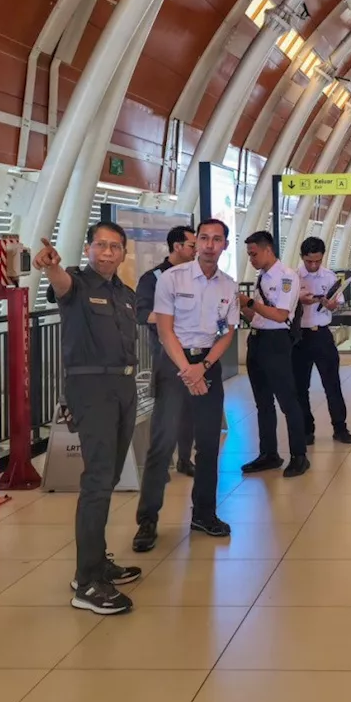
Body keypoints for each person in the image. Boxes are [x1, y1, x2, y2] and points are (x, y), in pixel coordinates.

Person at [35, 223, 142, 616]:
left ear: (123, 252)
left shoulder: (123, 293)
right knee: (97, 481)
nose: (108, 253)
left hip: (124, 389)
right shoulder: (77, 284)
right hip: (92, 390)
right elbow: (60, 283)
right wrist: (49, 267)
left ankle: (97, 563)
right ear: (89, 248)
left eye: (115, 247)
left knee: (109, 477)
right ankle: (86, 582)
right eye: (101, 245)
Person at [133, 219, 239, 551]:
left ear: (225, 245)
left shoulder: (229, 286)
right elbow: (164, 330)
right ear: (195, 245)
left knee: (208, 445)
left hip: (207, 363)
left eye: (216, 239)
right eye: (203, 238)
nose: (209, 244)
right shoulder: (171, 278)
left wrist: (203, 367)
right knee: (161, 445)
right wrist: (187, 370)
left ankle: (204, 514)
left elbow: (227, 332)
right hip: (174, 363)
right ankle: (147, 521)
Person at [240, 231, 310, 477]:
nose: (251, 259)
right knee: (262, 403)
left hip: (276, 342)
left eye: (254, 254)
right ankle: (268, 453)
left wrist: (250, 303)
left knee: (288, 401)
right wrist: (241, 307)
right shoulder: (261, 277)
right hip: (257, 340)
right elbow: (257, 315)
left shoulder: (286, 277)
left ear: (268, 250)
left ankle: (299, 455)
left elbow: (280, 315)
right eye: (249, 255)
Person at [134, 225, 198, 476]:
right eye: (193, 245)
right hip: (166, 355)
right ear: (177, 247)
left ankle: (184, 458)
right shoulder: (154, 279)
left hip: (195, 352)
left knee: (190, 409)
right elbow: (141, 314)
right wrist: (172, 318)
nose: (197, 250)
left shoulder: (198, 275)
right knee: (166, 412)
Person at [292, 237, 351, 445]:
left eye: (317, 261)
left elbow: (338, 303)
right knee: (300, 386)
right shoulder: (292, 277)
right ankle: (306, 430)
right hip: (298, 337)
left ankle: (340, 427)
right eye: (309, 261)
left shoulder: (329, 277)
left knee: (332, 383)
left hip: (321, 335)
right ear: (302, 258)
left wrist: (331, 305)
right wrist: (299, 300)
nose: (313, 265)